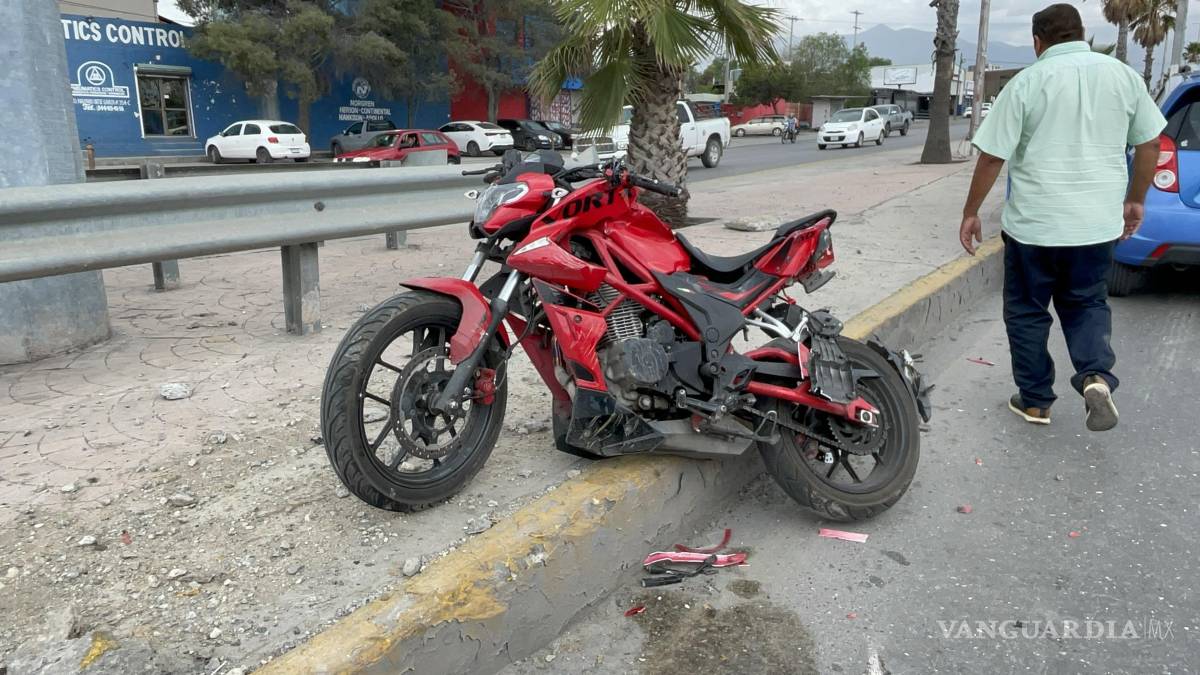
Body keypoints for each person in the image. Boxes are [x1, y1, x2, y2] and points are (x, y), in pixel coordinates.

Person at [957, 3, 1165, 432]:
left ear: (1038, 42)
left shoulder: (1027, 82)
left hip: (1034, 228)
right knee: (1087, 301)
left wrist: (971, 212)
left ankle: (1035, 402)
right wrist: (1135, 200)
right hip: (1096, 226)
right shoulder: (1124, 77)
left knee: (1027, 311)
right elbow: (1149, 144)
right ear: (1081, 33)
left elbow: (993, 156)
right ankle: (1095, 376)